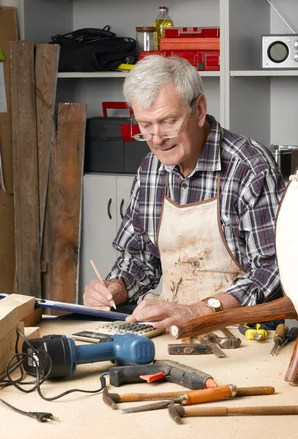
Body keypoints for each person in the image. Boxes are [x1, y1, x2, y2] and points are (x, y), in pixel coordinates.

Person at [83, 55, 286, 328]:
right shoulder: (150, 170)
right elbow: (140, 258)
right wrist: (115, 287)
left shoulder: (249, 167)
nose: (156, 139)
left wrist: (199, 311)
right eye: (145, 126)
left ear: (199, 110)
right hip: (174, 326)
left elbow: (270, 271)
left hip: (245, 331)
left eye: (168, 121)